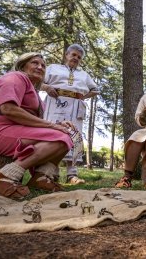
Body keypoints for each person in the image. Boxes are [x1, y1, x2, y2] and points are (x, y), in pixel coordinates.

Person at [0, 52, 76, 200]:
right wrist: (53, 127)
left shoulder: (35, 94)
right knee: (60, 137)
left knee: (65, 136)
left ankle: (41, 177)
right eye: (35, 63)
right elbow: (9, 109)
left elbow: (39, 121)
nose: (40, 67)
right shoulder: (15, 77)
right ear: (22, 65)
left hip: (11, 129)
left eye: (43, 66)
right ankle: (5, 177)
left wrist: (59, 124)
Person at [41, 44, 99, 185]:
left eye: (79, 57)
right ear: (66, 55)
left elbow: (95, 90)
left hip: (75, 106)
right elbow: (38, 81)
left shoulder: (83, 75)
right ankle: (50, 173)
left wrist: (83, 97)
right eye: (73, 55)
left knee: (74, 136)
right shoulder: (53, 68)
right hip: (55, 102)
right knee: (53, 134)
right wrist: (47, 87)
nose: (76, 58)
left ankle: (71, 175)